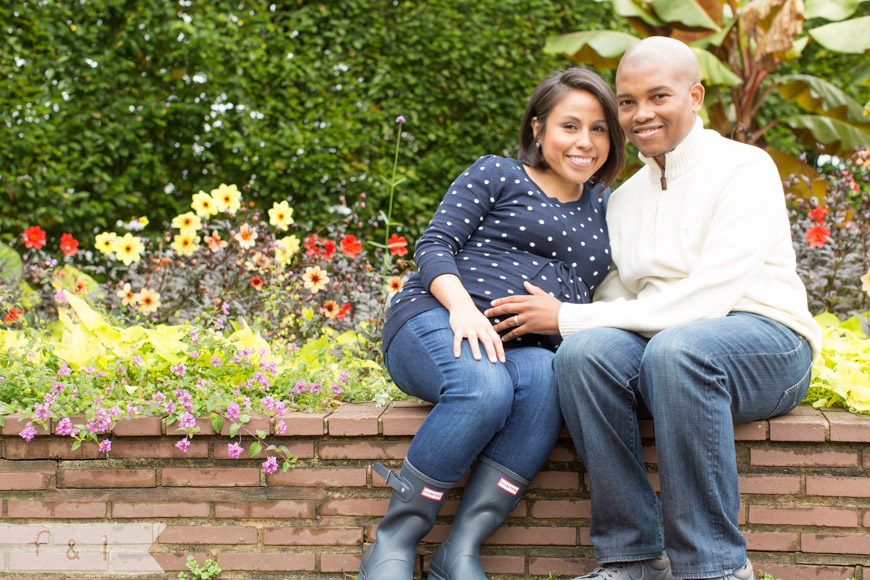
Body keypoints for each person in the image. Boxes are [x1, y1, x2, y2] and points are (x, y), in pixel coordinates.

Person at [485, 37, 821, 580]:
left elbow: (709, 298)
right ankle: (634, 558)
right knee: (585, 355)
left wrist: (566, 316)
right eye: (626, 102)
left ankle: (714, 568)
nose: (640, 114)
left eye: (658, 96)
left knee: (675, 349)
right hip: (670, 350)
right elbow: (618, 299)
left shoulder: (744, 168)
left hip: (769, 343)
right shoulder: (623, 197)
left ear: (695, 96)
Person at [358, 67, 626, 580]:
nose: (585, 142)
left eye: (599, 129)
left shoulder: (609, 208)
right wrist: (461, 308)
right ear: (537, 128)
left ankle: (459, 551)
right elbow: (435, 244)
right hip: (437, 316)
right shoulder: (498, 173)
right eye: (570, 126)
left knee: (550, 383)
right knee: (482, 388)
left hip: (527, 346)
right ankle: (394, 540)